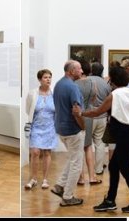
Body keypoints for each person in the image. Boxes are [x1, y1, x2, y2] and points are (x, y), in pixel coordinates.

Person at [81, 66, 129, 213]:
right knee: (113, 166)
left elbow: (97, 111)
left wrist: (81, 113)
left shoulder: (115, 94)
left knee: (126, 170)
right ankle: (110, 200)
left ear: (113, 80)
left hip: (125, 135)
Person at [51, 60, 86, 206]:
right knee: (77, 164)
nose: (82, 71)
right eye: (79, 69)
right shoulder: (73, 87)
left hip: (61, 128)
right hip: (73, 129)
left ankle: (60, 185)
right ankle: (68, 196)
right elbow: (76, 111)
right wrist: (83, 126)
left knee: (72, 158)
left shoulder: (59, 84)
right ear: (71, 71)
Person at [25, 68, 58, 190]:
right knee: (35, 152)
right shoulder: (32, 93)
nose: (48, 79)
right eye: (45, 77)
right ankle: (33, 179)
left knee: (47, 153)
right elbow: (28, 109)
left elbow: (57, 110)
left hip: (50, 127)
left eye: (49, 77)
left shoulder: (54, 94)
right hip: (36, 127)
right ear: (40, 79)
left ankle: (45, 179)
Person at [89, 62, 112, 175]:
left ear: (91, 70)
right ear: (102, 71)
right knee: (99, 143)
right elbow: (109, 100)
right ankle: (98, 169)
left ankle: (85, 170)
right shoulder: (105, 84)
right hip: (102, 116)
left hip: (89, 116)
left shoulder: (86, 81)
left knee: (86, 144)